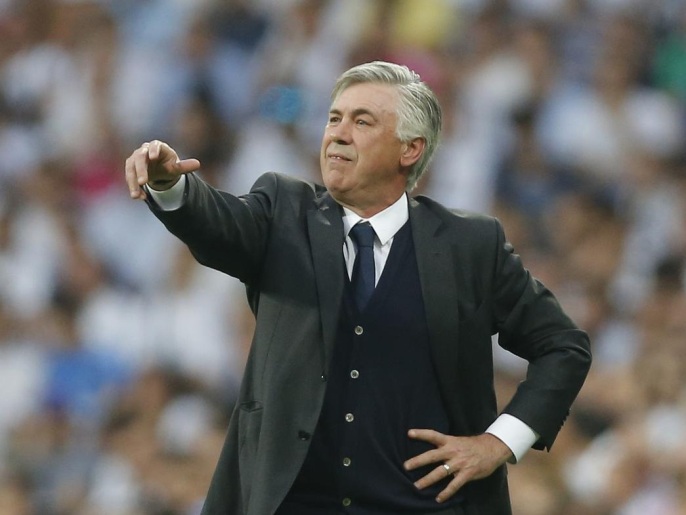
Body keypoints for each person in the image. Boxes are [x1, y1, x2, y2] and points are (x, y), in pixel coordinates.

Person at [124, 61, 591, 515]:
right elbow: (218, 223)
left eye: (361, 121)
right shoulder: (284, 212)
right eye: (334, 119)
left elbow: (563, 345)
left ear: (409, 149)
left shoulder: (469, 246)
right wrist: (171, 187)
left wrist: (499, 442)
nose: (338, 134)